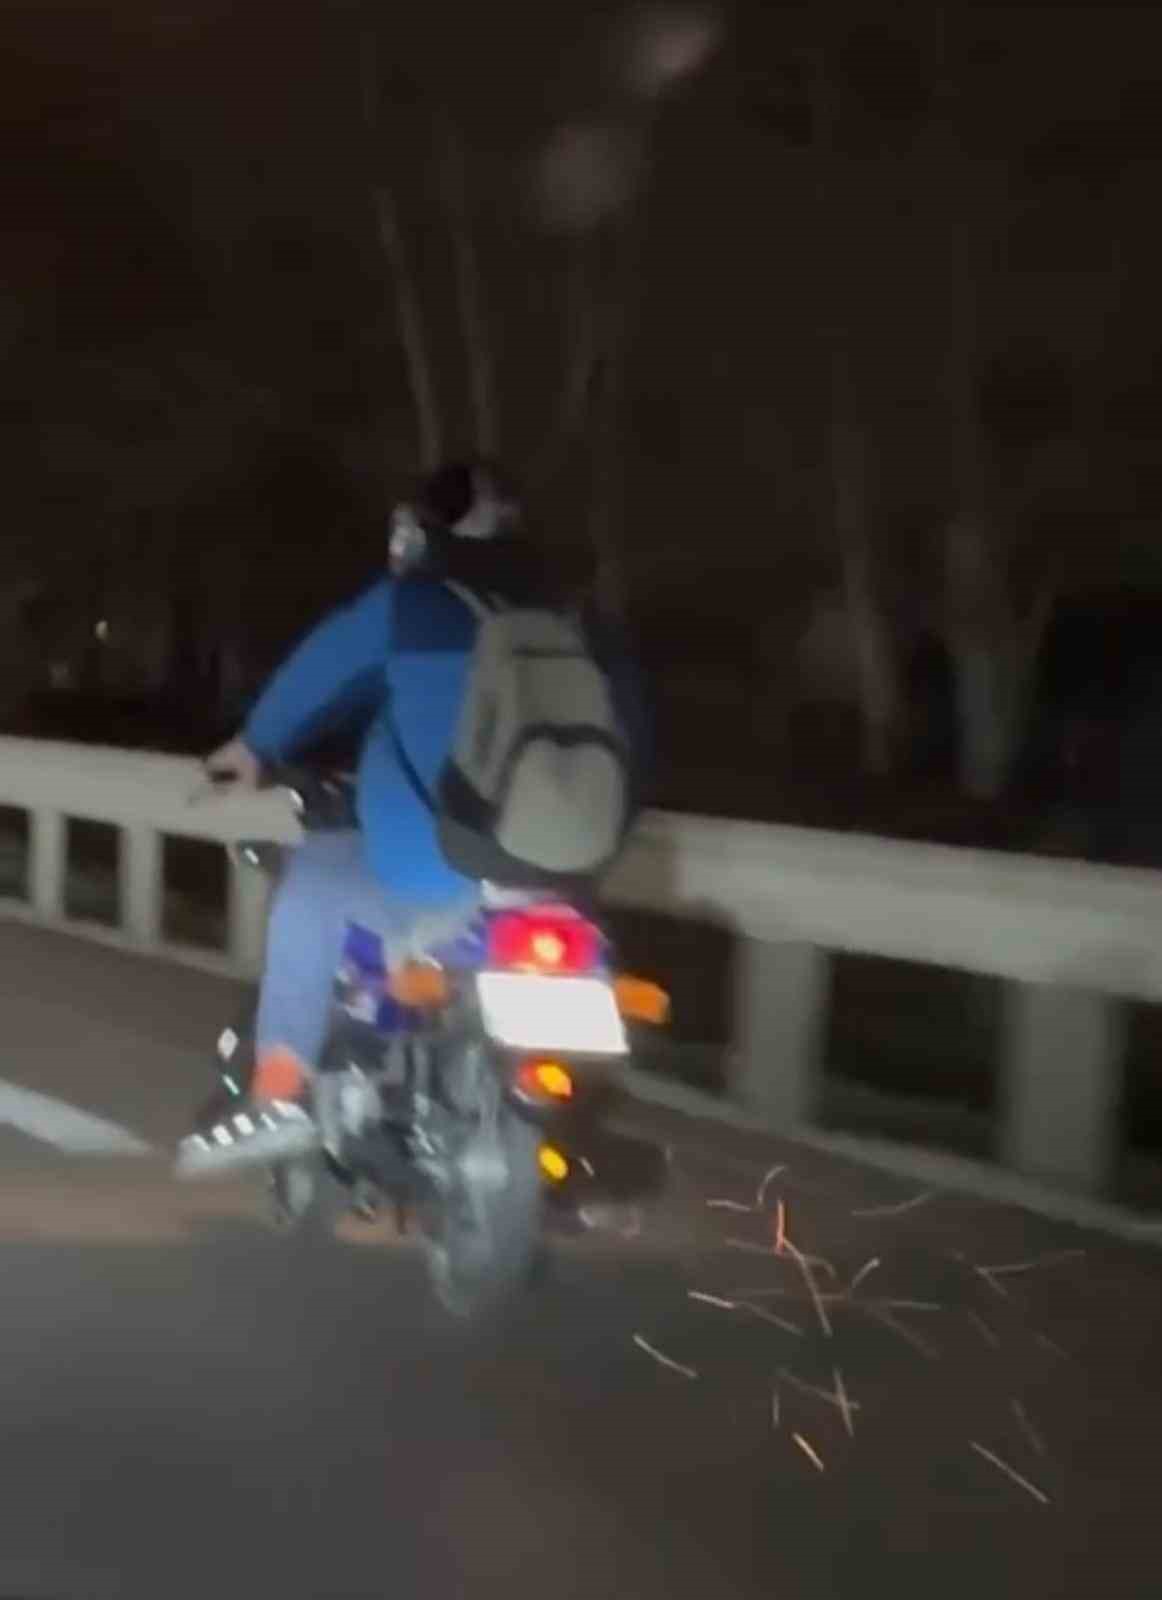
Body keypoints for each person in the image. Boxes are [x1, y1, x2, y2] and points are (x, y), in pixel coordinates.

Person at [176, 459, 543, 1176]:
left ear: (423, 532)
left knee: (309, 895)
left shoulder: (416, 606)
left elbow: (323, 673)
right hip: (553, 874)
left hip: (437, 873)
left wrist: (253, 747)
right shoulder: (567, 614)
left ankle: (279, 1092)